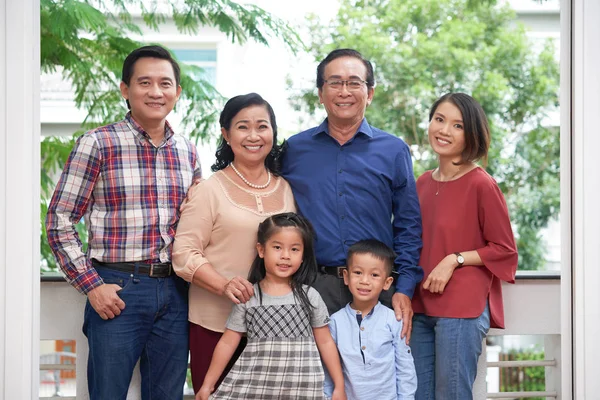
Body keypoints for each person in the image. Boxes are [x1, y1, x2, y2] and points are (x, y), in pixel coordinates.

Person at [45, 45, 200, 399]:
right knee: (108, 394)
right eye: (144, 82)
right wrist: (92, 286)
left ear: (177, 92)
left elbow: (193, 226)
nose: (156, 92)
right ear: (125, 90)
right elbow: (59, 220)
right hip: (117, 288)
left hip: (175, 292)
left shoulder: (187, 151)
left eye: (165, 83)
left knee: (168, 395)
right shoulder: (97, 143)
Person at [282, 48, 423, 344]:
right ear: (321, 93)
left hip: (377, 291)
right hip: (312, 289)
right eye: (335, 82)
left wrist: (404, 288)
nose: (344, 91)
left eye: (354, 82)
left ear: (369, 93)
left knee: (376, 384)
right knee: (318, 386)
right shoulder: (294, 150)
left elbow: (409, 226)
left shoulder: (394, 150)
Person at [172, 93, 296, 393]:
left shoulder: (286, 188)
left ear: (273, 133)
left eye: (262, 126)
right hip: (215, 324)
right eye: (242, 127)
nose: (253, 136)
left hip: (274, 328)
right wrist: (223, 284)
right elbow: (183, 254)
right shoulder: (208, 190)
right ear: (226, 134)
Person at [410, 93, 518, 400]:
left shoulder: (482, 184)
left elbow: (505, 250)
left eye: (457, 125)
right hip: (420, 307)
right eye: (439, 120)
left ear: (471, 134)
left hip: (461, 310)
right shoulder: (421, 183)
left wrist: (454, 259)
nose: (444, 130)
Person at [197, 212, 346, 400]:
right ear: (261, 250)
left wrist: (339, 386)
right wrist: (208, 385)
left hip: (301, 390)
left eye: (294, 249)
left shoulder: (310, 296)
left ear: (303, 256)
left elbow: (325, 341)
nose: (285, 256)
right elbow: (228, 342)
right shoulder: (249, 296)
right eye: (277, 247)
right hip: (255, 389)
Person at [324, 239, 417, 400]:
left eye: (374, 275)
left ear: (387, 282)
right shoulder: (335, 322)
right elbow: (328, 369)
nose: (364, 281)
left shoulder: (394, 320)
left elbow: (405, 368)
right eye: (358, 272)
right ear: (346, 276)